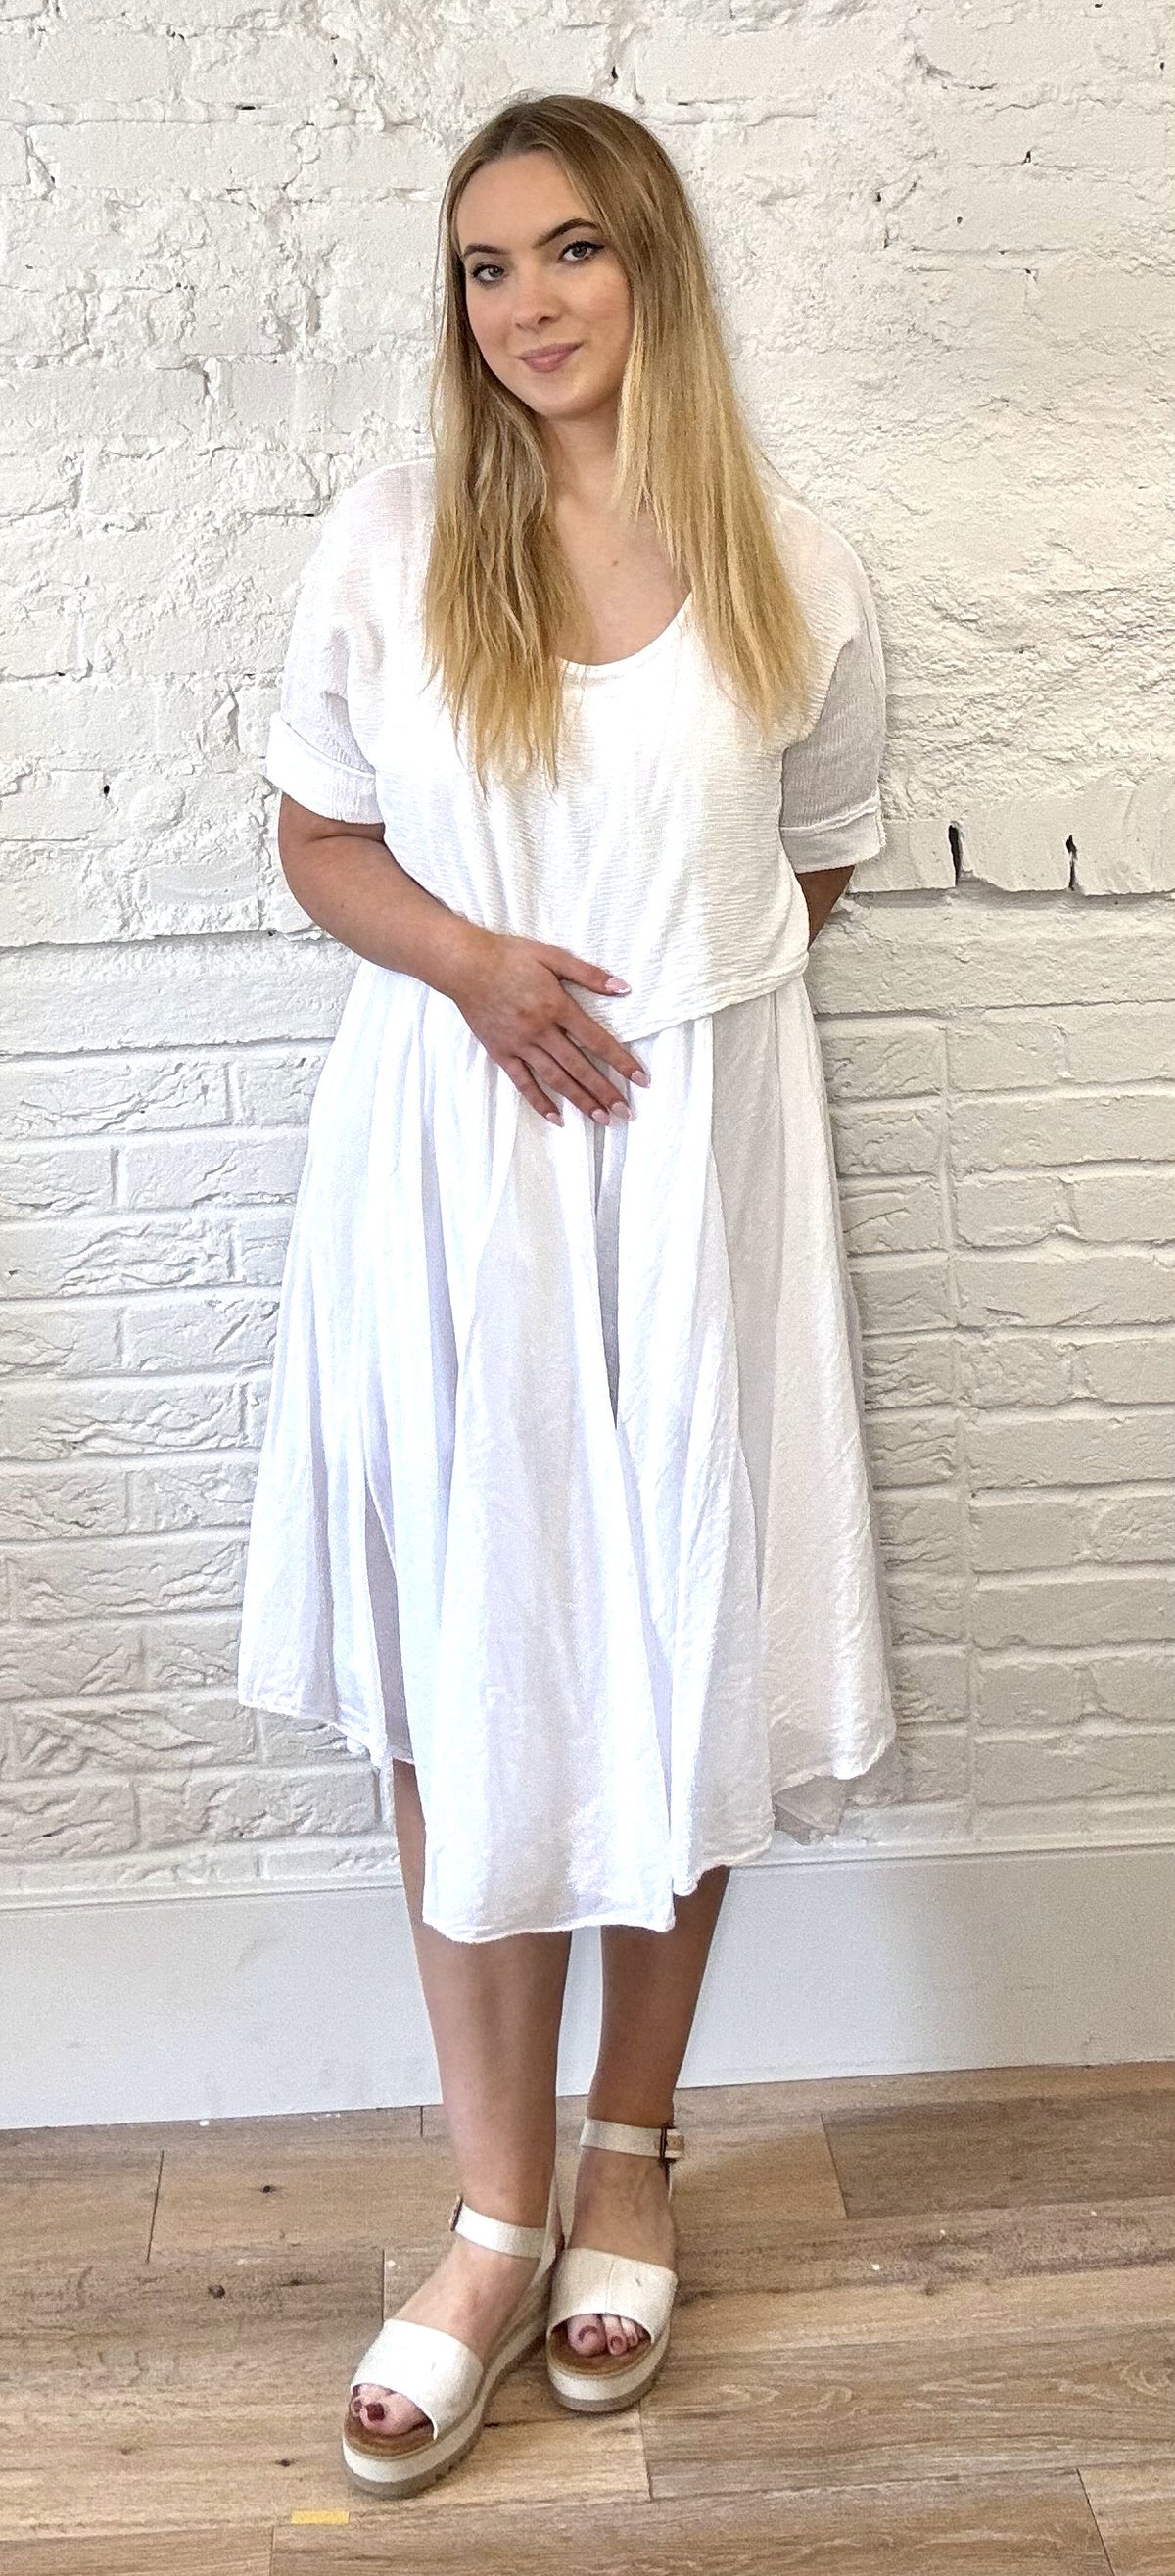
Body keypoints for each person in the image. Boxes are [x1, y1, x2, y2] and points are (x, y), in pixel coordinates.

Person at [237, 91, 898, 2499]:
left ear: (657, 269)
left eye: (573, 251)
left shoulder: (790, 564)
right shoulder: (396, 540)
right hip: (451, 1181)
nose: (528, 303)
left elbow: (818, 859)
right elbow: (316, 832)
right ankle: (493, 2213)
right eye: (486, 265)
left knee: (678, 1638)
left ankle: (635, 2154)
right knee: (471, 1660)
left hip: (694, 1192)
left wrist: (662, 1025)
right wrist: (480, 968)